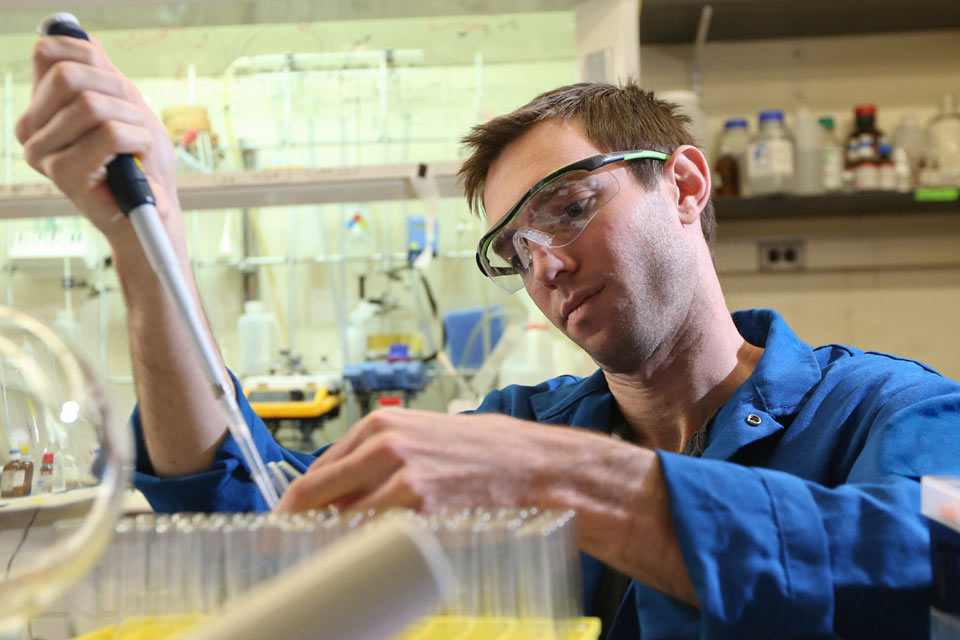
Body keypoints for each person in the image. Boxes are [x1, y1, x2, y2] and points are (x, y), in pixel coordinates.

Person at [16, 34, 960, 639]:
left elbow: (932, 563)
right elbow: (254, 520)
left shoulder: (887, 410)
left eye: (572, 207)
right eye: (514, 249)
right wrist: (151, 241)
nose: (544, 263)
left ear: (683, 184)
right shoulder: (524, 422)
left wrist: (558, 478)